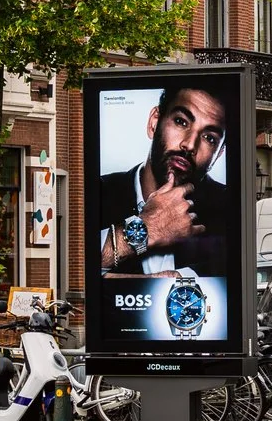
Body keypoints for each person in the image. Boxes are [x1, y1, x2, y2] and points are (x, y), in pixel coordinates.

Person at [96, 84, 233, 279]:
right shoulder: (100, 191)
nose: (189, 144)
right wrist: (148, 227)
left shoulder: (229, 207)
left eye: (209, 138)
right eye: (181, 122)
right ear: (154, 122)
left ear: (218, 154)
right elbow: (75, 269)